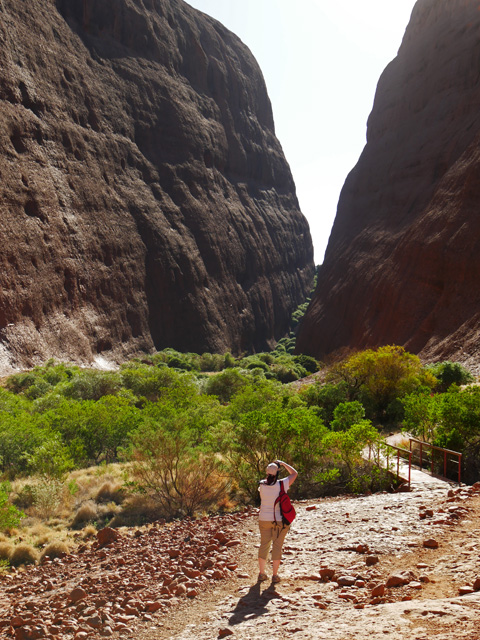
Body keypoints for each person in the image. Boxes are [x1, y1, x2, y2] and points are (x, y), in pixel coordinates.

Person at [257, 459, 297, 583]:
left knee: (264, 545)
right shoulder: (282, 484)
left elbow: (267, 482)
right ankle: (275, 575)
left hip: (263, 519)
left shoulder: (262, 484)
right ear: (278, 472)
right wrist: (283, 464)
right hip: (279, 520)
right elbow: (294, 473)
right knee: (277, 546)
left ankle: (262, 573)